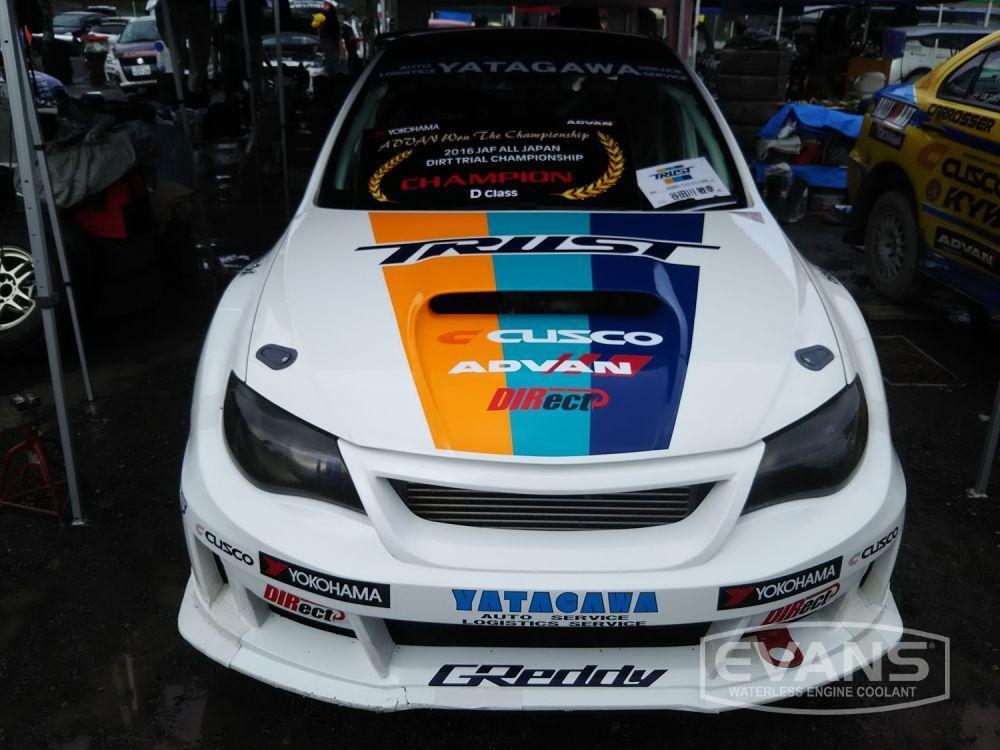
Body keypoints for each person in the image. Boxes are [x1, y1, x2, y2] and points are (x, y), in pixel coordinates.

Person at [313, 0, 346, 78]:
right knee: (332, 59)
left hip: (327, 40)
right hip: (330, 40)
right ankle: (332, 75)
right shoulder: (330, 16)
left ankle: (330, 75)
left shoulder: (324, 16)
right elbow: (336, 30)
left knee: (329, 59)